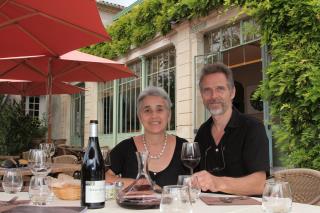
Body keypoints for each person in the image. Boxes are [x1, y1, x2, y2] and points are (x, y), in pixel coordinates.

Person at [193, 62, 269, 196]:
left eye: (220, 89)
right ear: (202, 95)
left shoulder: (252, 128)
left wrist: (217, 183)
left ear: (232, 92)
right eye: (207, 90)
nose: (213, 96)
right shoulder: (202, 132)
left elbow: (259, 184)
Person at [106, 86, 188, 188]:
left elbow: (196, 181)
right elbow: (102, 177)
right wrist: (139, 184)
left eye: (159, 109)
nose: (154, 115)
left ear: (169, 115)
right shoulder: (125, 148)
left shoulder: (184, 147)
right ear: (140, 117)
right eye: (147, 110)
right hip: (132, 204)